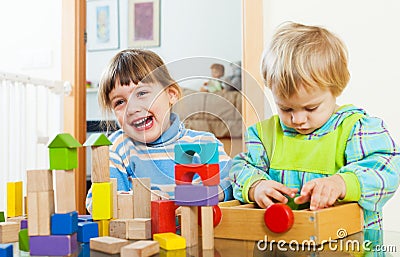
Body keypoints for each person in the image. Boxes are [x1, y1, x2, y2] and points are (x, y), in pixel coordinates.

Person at [229, 22, 400, 229]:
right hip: (282, 245)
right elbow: (239, 168)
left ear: (335, 89)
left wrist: (341, 183)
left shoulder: (356, 128)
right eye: (286, 109)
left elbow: (387, 171)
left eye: (310, 108)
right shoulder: (265, 135)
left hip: (351, 246)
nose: (298, 119)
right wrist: (256, 185)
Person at [86, 49, 233, 212]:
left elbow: (234, 183)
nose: (132, 108)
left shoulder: (205, 143)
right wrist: (136, 199)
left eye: (142, 93)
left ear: (171, 94)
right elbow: (96, 204)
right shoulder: (117, 148)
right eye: (120, 102)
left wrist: (212, 193)